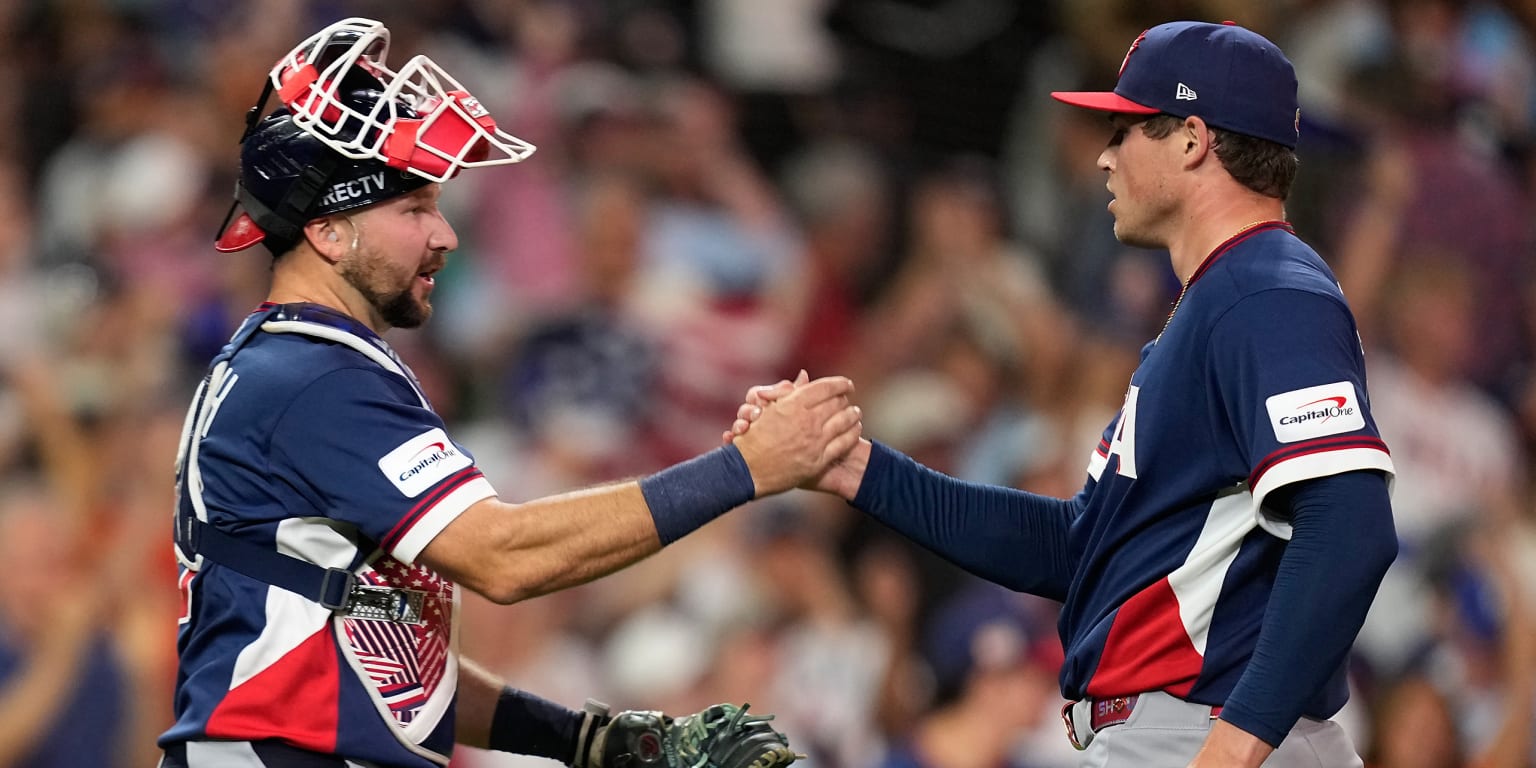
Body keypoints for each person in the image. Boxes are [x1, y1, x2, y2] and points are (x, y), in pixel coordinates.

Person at [162, 18, 861, 768]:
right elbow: (505, 557)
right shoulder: (313, 378)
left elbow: (386, 657)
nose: (446, 235)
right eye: (413, 210)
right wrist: (745, 469)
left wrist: (582, 740)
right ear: (329, 232)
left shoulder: (295, 365)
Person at [732, 20, 1397, 768]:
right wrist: (858, 470)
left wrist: (1239, 740)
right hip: (1181, 726)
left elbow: (1350, 525)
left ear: (1192, 140)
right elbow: (1078, 548)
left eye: (1125, 130)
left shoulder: (1266, 290)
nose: (1106, 157)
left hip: (1200, 728)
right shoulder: (1223, 302)